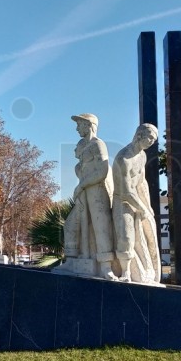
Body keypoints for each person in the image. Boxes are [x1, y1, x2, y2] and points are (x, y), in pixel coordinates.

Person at [62, 113, 116, 280]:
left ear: (89, 125)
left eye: (80, 124)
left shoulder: (98, 145)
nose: (77, 128)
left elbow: (102, 171)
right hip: (85, 191)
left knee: (101, 227)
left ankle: (106, 267)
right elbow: (82, 168)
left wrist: (82, 184)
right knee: (70, 225)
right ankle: (71, 260)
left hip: (98, 190)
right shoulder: (82, 145)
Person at [112, 123, 161, 283]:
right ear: (140, 135)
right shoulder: (123, 158)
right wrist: (141, 207)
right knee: (126, 237)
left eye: (154, 140)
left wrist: (148, 207)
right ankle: (126, 273)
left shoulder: (142, 156)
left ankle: (148, 272)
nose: (152, 142)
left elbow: (141, 183)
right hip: (122, 202)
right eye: (150, 138)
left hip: (137, 202)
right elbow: (126, 191)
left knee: (143, 238)